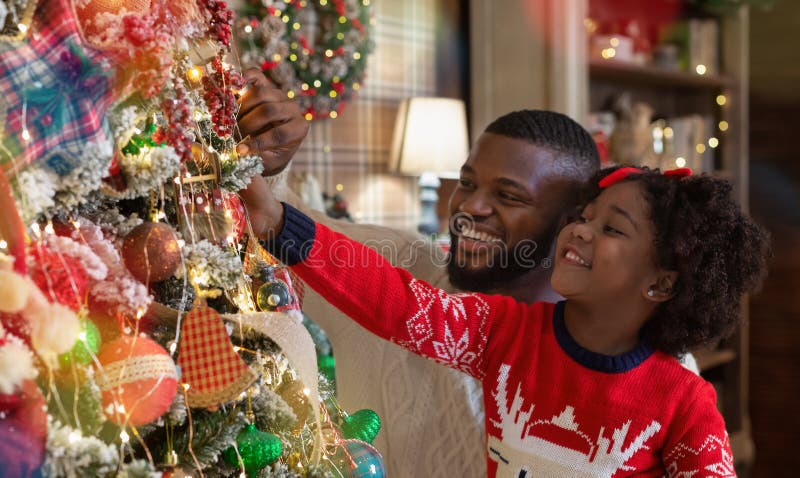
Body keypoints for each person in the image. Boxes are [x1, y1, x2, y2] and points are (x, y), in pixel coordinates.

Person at [239, 165, 770, 476]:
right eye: (583, 217)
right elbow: (398, 305)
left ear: (662, 282)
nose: (581, 231)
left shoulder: (682, 402)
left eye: (613, 229)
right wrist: (282, 224)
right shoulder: (504, 334)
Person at [236, 72, 601, 476]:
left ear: (573, 221)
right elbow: (272, 226)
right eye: (466, 182)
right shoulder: (399, 265)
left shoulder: (612, 361)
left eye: (508, 195)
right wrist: (271, 161)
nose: (470, 206)